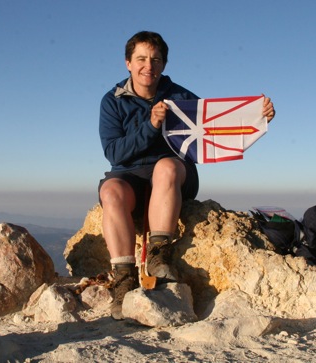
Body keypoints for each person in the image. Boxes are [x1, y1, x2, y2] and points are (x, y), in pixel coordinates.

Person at [98, 31, 275, 319]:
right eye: (141, 59)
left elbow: (215, 127)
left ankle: (159, 256)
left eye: (156, 59)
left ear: (164, 64)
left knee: (165, 166)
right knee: (110, 192)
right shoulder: (113, 101)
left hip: (174, 176)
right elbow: (115, 154)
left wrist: (259, 116)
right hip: (129, 175)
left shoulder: (180, 97)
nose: (148, 66)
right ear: (128, 63)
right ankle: (123, 279)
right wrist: (151, 126)